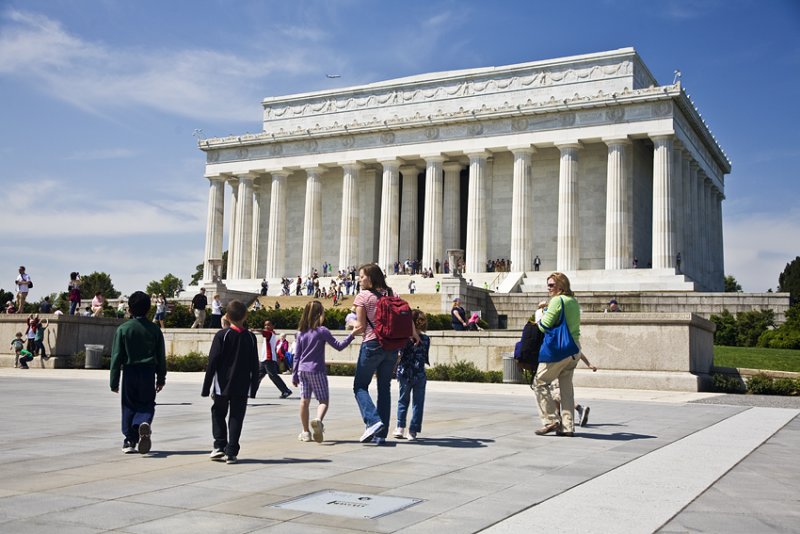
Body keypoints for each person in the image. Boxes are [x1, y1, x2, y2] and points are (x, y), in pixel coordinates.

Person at [352, 263, 419, 445]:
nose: (360, 279)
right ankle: (381, 435)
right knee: (384, 389)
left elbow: (361, 326)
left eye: (362, 276)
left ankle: (373, 421)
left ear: (371, 278)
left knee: (360, 386)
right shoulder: (392, 294)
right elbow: (406, 317)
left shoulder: (363, 296)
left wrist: (350, 328)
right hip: (391, 346)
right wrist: (414, 335)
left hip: (372, 344)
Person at [201, 300, 260, 465]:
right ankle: (232, 452)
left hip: (222, 383)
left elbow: (212, 362)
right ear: (246, 316)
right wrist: (253, 387)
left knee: (218, 412)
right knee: (236, 417)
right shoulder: (250, 337)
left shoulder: (222, 335)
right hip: (242, 385)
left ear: (226, 316)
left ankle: (219, 445)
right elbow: (255, 364)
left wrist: (206, 388)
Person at [292, 300, 359, 443]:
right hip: (317, 370)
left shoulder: (301, 333)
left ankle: (305, 432)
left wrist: (294, 375)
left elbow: (296, 355)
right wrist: (352, 335)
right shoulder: (322, 331)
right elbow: (339, 346)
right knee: (323, 400)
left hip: (302, 370)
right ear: (320, 314)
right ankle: (318, 420)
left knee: (304, 401)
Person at [110, 291, 167, 454]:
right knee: (147, 403)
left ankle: (129, 440)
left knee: (129, 404)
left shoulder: (123, 329)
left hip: (129, 371)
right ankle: (143, 422)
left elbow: (116, 356)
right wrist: (161, 377)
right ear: (149, 309)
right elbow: (160, 356)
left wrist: (114, 381)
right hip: (148, 372)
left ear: (130, 309)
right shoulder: (155, 330)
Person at [534, 272, 581, 437]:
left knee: (539, 381)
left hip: (559, 350)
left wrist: (540, 313)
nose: (548, 287)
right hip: (574, 349)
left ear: (561, 286)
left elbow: (544, 326)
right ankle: (568, 427)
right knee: (566, 389)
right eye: (548, 284)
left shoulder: (557, 300)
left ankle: (551, 420)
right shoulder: (573, 302)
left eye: (552, 285)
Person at [393, 310, 430, 441]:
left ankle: (400, 427)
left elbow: (399, 353)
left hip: (405, 373)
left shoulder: (404, 339)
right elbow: (424, 356)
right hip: (419, 373)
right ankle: (413, 430)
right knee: (418, 403)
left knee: (403, 400)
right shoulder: (426, 339)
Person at [258, 320, 293, 398]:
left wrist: (255, 330)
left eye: (268, 325)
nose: (266, 327)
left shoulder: (270, 333)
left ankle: (285, 390)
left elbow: (264, 332)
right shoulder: (269, 334)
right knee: (258, 375)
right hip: (264, 359)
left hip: (268, 358)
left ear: (273, 326)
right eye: (265, 325)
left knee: (273, 375)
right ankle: (251, 392)